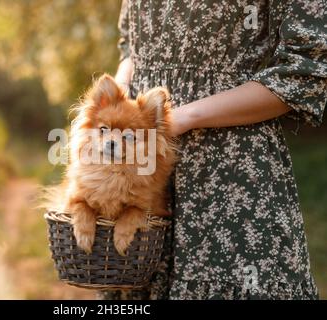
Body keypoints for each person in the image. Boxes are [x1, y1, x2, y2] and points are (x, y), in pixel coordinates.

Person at [102, 0, 326, 299]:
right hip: (139, 169)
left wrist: (182, 118)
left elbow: (304, 71)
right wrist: (116, 102)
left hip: (229, 177)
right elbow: (132, 46)